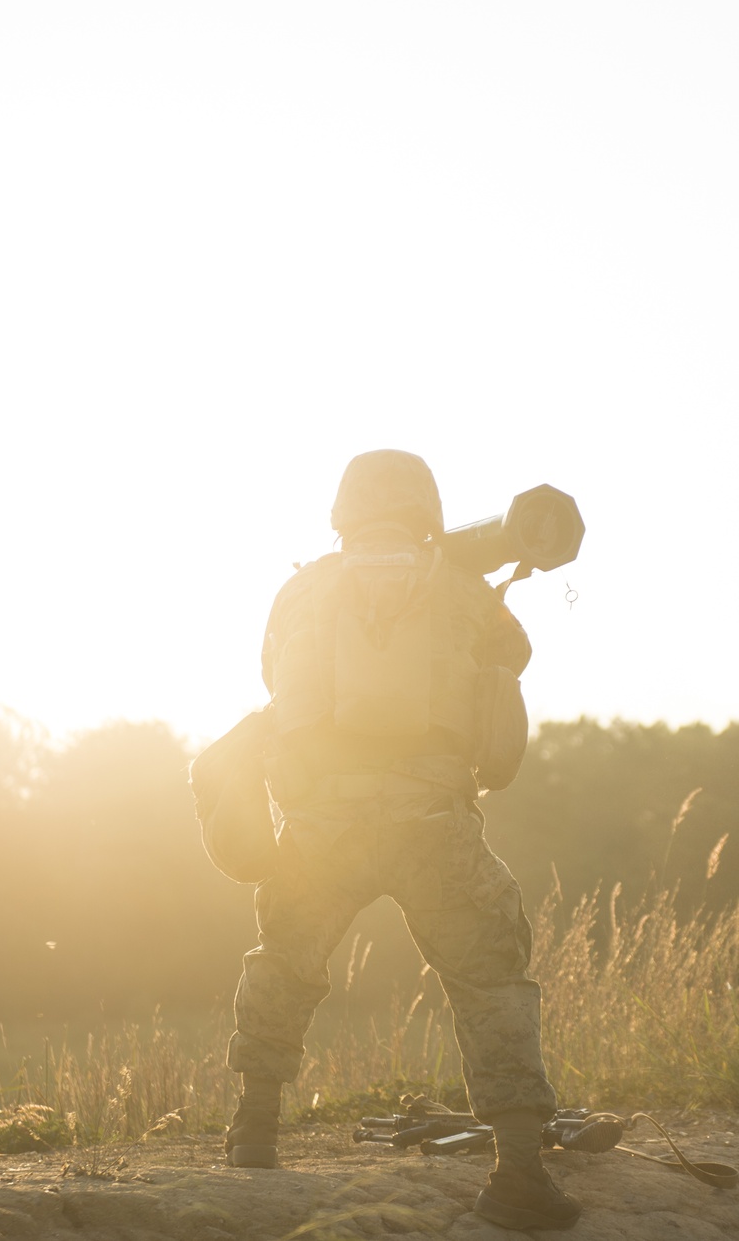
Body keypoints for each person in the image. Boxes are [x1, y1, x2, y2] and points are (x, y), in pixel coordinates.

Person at [224, 450, 581, 1231]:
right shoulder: (461, 588)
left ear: (342, 512)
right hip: (433, 824)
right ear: (428, 507)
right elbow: (512, 659)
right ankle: (519, 1174)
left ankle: (254, 1135)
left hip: (321, 825)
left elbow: (271, 679)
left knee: (286, 961)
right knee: (491, 981)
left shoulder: (298, 590)